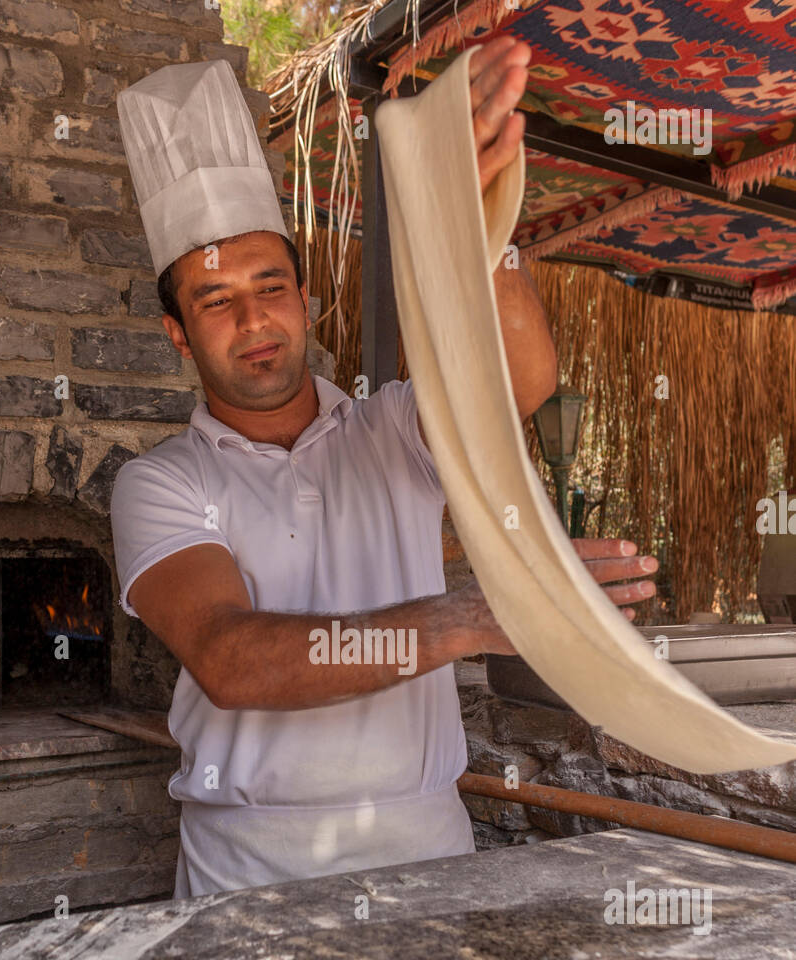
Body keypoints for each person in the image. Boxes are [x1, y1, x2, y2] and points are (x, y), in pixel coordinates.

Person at [111, 37, 658, 897]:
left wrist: (481, 233)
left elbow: (519, 381)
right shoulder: (163, 483)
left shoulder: (392, 427)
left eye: (271, 286)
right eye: (216, 300)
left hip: (426, 856)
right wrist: (470, 619)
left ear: (304, 294)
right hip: (246, 876)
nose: (254, 318)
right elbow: (232, 660)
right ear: (179, 332)